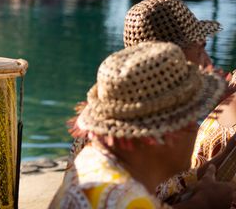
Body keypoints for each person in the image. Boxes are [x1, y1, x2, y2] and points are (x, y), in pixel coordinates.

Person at [50, 42, 234, 209]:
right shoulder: (125, 199)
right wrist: (206, 205)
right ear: (167, 133)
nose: (195, 128)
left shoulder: (92, 160)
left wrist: (224, 156)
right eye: (191, 118)